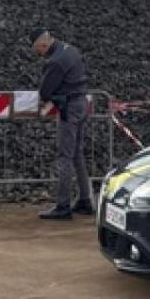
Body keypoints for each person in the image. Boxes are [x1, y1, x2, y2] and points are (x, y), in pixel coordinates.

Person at [30, 28, 94, 220]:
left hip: (69, 108)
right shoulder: (71, 50)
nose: (38, 54)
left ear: (43, 43)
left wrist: (49, 99)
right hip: (81, 103)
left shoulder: (55, 61)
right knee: (77, 154)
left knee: (65, 156)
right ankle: (85, 199)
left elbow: (45, 92)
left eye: (37, 50)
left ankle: (63, 205)